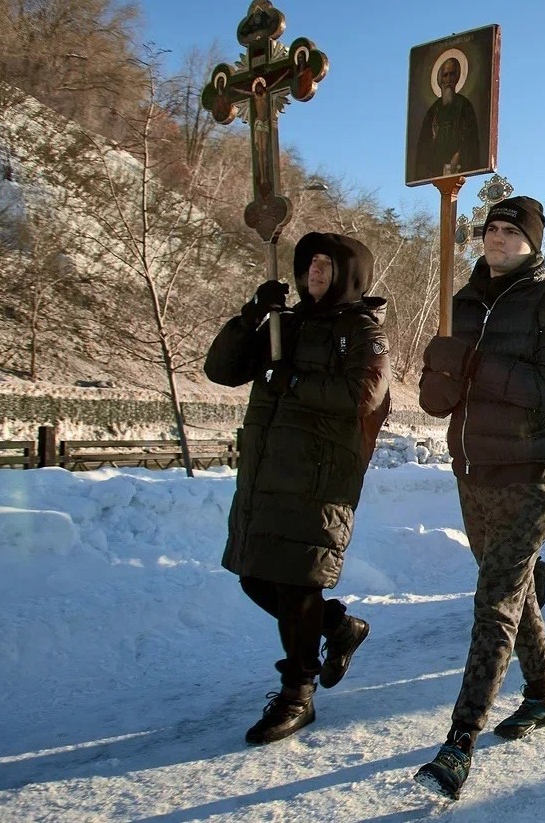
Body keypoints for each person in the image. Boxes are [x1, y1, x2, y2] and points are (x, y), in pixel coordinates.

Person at [414, 196, 545, 800]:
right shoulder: (461, 302)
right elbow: (441, 398)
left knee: (494, 601)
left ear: (533, 243)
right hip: (474, 472)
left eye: (512, 231)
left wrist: (474, 363)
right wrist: (438, 375)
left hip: (532, 474)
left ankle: (459, 742)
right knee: (513, 591)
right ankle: (542, 695)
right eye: (491, 228)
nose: (497, 237)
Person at [203, 232, 392, 745]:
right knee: (254, 577)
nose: (314, 273)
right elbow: (220, 370)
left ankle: (297, 693)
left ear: (349, 274)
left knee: (297, 583)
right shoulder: (282, 324)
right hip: (266, 472)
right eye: (310, 264)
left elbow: (363, 394)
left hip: (318, 476)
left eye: (326, 265)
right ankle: (339, 628)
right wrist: (251, 317)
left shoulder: (362, 330)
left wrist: (290, 382)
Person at [414, 56, 481, 181]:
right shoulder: (433, 110)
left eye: (452, 74)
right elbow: (424, 142)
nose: (449, 79)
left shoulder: (464, 105)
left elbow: (471, 137)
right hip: (436, 165)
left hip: (458, 163)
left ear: (457, 77)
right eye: (445, 75)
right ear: (440, 79)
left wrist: (459, 154)